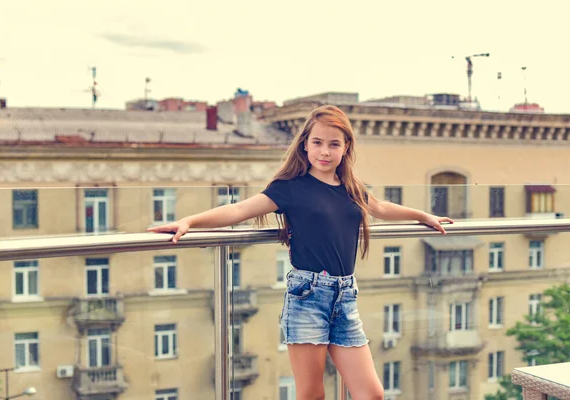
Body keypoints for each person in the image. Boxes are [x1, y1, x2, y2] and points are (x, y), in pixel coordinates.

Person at [148, 105, 453, 400]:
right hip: (308, 296)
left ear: (346, 148)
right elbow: (240, 210)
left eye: (334, 144)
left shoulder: (350, 186)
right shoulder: (290, 188)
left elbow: (382, 208)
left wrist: (423, 216)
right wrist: (189, 221)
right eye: (317, 142)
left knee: (371, 393)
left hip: (345, 297)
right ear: (305, 144)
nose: (325, 151)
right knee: (311, 394)